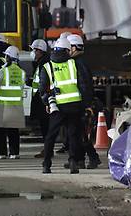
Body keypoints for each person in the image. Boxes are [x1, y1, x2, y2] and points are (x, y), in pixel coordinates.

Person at [39, 37, 93, 174]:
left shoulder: (47, 66)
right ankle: (73, 162)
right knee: (73, 134)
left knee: (51, 135)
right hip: (75, 105)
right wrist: (87, 104)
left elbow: (42, 89)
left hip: (57, 107)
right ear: (68, 50)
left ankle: (47, 164)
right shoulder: (73, 64)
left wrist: (47, 103)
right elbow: (83, 86)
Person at [67, 34, 100, 170]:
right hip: (81, 102)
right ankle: (80, 159)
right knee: (78, 132)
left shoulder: (77, 63)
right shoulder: (80, 61)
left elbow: (84, 85)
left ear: (74, 47)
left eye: (68, 48)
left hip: (81, 103)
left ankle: (93, 158)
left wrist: (85, 104)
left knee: (80, 133)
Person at [0, 46, 25, 159]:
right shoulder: (21, 72)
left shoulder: (3, 70)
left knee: (0, 130)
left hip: (3, 104)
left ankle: (1, 153)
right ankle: (14, 153)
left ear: (8, 57)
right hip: (17, 104)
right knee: (14, 130)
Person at [27, 39, 50, 158]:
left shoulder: (43, 63)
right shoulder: (40, 63)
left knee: (46, 127)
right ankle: (47, 149)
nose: (32, 52)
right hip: (41, 99)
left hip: (43, 100)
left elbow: (43, 82)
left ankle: (47, 151)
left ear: (39, 51)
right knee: (45, 127)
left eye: (33, 50)